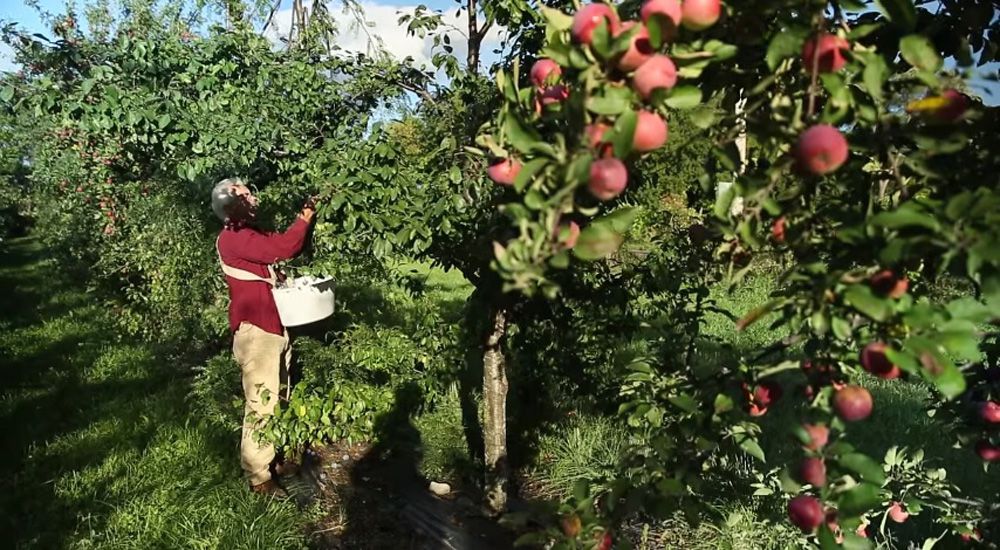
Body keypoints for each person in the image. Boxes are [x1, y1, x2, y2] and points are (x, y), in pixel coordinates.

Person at [210, 177, 317, 496]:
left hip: (272, 326)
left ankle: (272, 458)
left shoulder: (249, 234)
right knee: (261, 403)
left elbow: (279, 249)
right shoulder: (234, 236)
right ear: (230, 205)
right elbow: (284, 247)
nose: (253, 199)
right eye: (245, 196)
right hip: (257, 330)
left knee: (277, 395)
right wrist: (305, 216)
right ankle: (259, 476)